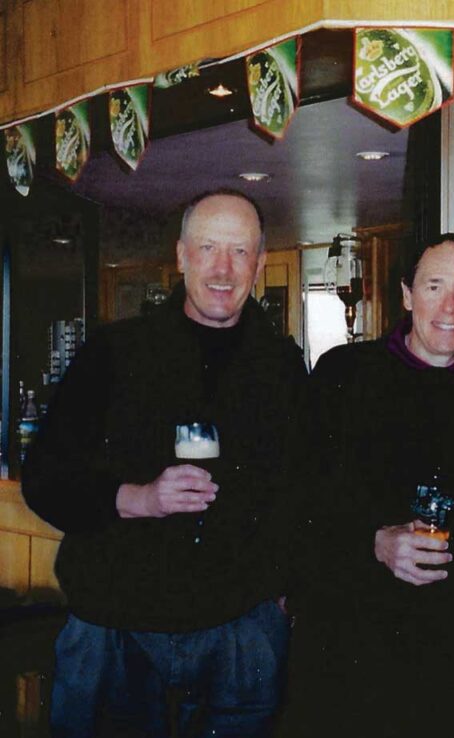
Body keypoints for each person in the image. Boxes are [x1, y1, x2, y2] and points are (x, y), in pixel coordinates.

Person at [22, 189, 308, 737]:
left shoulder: (282, 366)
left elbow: (303, 491)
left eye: (239, 252)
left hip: (241, 629)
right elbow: (44, 478)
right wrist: (138, 498)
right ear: (180, 256)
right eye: (207, 248)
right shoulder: (112, 353)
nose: (223, 269)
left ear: (260, 263)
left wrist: (279, 594)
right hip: (116, 625)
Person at [285, 234, 454, 737]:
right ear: (407, 294)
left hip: (446, 647)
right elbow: (297, 507)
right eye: (434, 287)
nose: (449, 307)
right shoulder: (343, 376)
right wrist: (373, 542)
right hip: (342, 641)